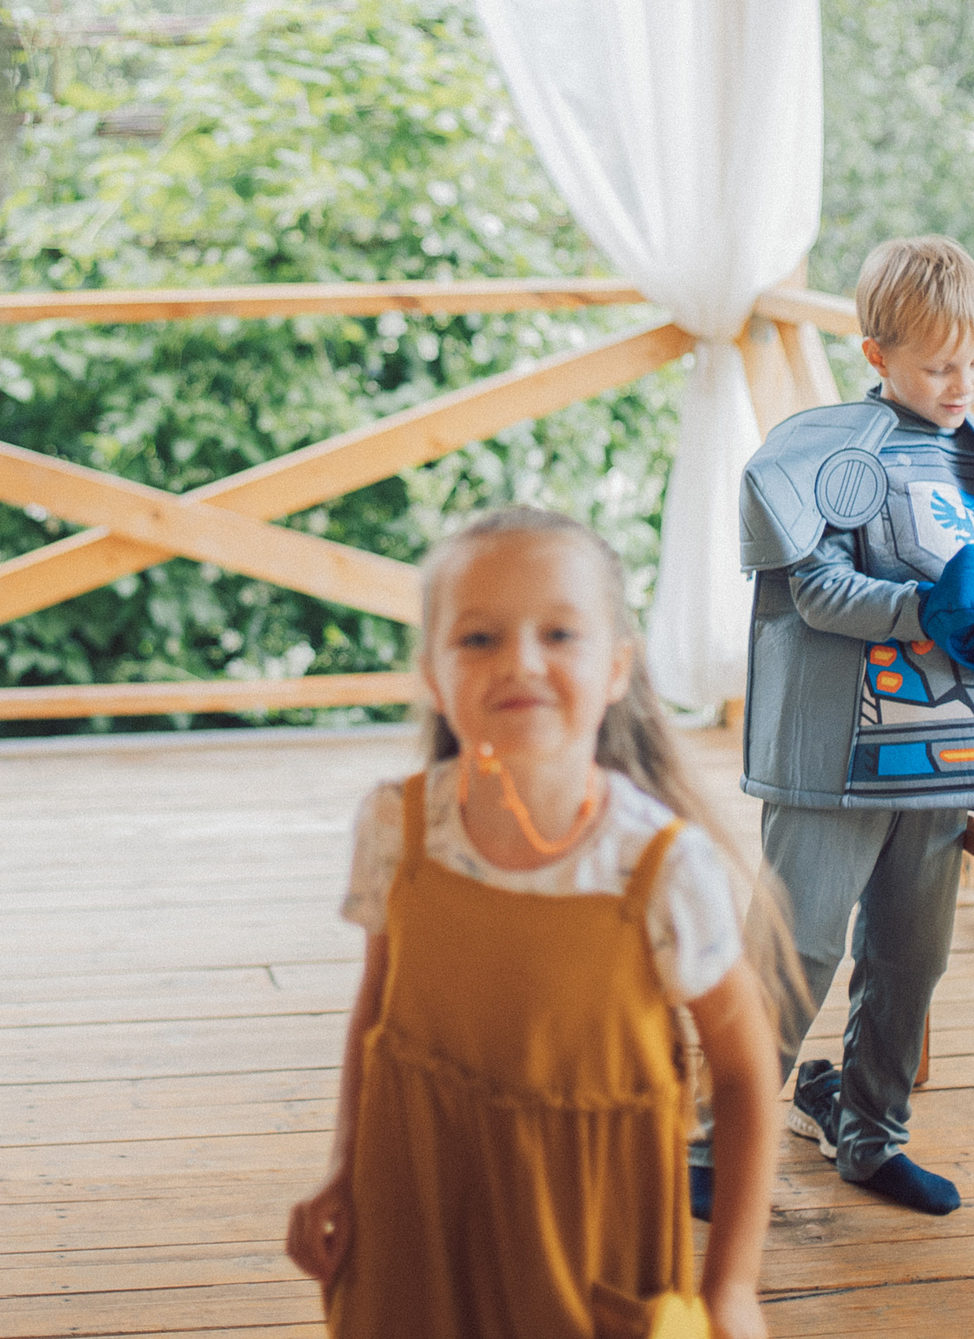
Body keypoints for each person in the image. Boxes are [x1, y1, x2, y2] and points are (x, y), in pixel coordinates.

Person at [285, 506, 787, 1339]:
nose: (520, 661)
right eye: (478, 638)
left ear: (618, 666)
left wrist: (732, 1285)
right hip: (413, 1203)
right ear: (435, 677)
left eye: (559, 633)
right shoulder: (396, 828)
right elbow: (377, 1007)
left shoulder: (661, 865)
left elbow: (742, 1074)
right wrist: (340, 1169)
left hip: (587, 1229)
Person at [735, 235, 974, 1218]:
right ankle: (721, 1143)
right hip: (835, 758)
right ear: (876, 355)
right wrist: (935, 611)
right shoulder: (826, 453)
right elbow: (818, 591)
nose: (962, 383)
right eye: (936, 365)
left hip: (945, 757)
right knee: (797, 949)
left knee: (909, 958)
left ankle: (872, 1136)